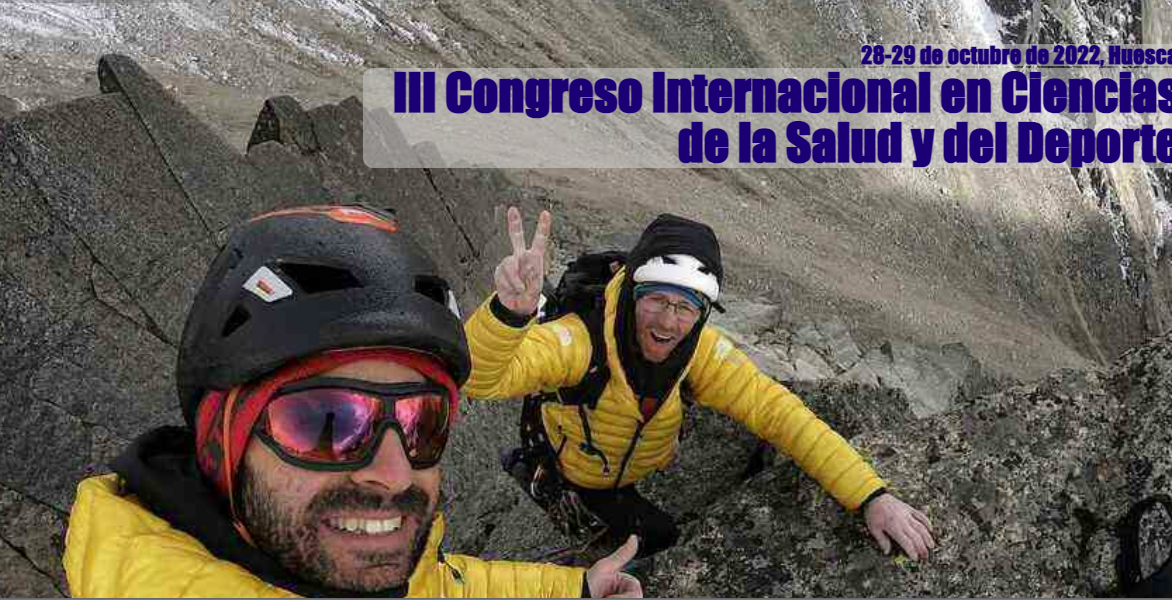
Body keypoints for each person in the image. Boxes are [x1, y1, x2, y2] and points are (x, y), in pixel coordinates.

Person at [62, 205, 643, 598]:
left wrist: (575, 587)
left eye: (423, 425)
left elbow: (441, 584)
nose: (393, 474)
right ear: (221, 440)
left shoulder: (326, 556)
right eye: (326, 422)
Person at [465, 208, 937, 561]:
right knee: (658, 539)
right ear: (632, 293)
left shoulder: (702, 353)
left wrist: (872, 496)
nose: (669, 322)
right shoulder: (580, 343)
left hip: (633, 459)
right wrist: (509, 313)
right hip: (579, 473)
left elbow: (781, 415)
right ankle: (534, 476)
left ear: (703, 312)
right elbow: (480, 380)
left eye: (686, 306)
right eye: (657, 300)